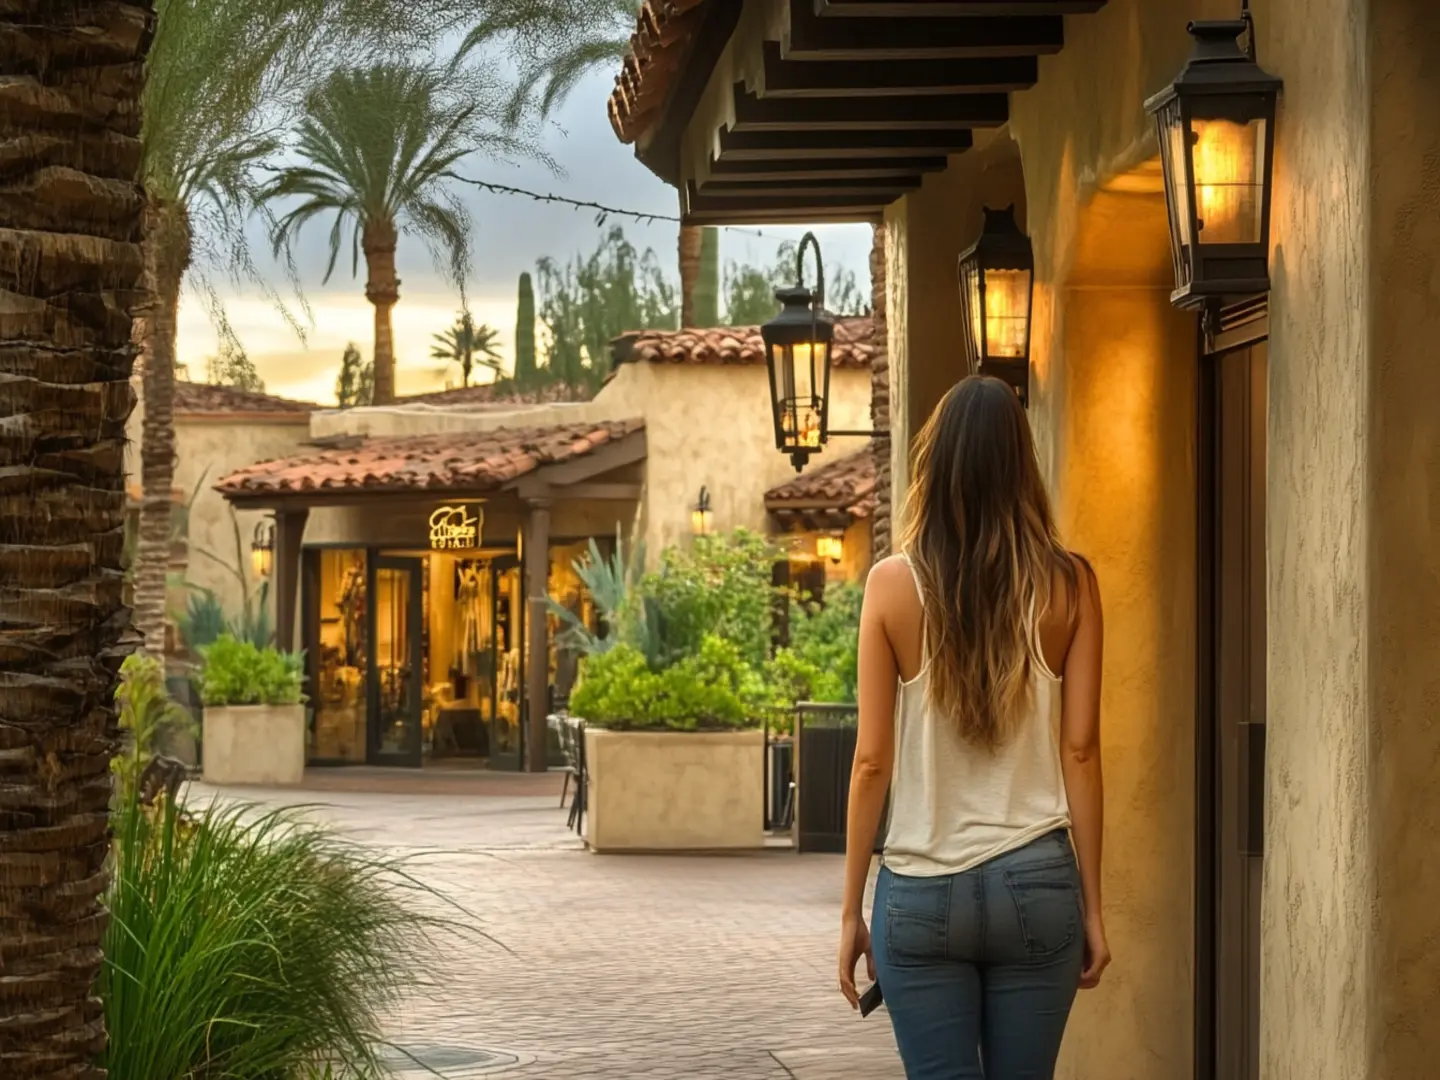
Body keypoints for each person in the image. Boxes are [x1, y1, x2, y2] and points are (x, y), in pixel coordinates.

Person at [837, 375, 1109, 1079]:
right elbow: (1080, 750)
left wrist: (849, 912)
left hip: (921, 889)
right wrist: (1095, 906)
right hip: (1039, 883)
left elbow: (871, 761)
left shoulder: (892, 586)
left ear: (938, 463)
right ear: (1023, 466)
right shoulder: (1070, 585)